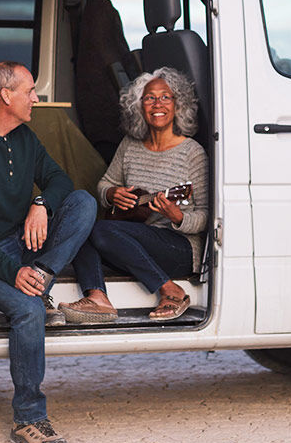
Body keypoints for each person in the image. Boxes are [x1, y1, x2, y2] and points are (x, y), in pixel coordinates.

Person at [0, 61, 96, 443]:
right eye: (29, 91)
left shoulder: (25, 137)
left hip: (25, 244)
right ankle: (28, 419)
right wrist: (13, 273)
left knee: (82, 202)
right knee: (29, 311)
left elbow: (60, 180)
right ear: (5, 96)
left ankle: (43, 275)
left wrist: (40, 203)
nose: (36, 98)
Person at [62, 67, 208, 323]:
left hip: (178, 247)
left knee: (102, 231)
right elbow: (105, 183)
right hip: (130, 242)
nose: (157, 104)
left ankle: (170, 290)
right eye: (149, 98)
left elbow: (206, 217)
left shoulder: (192, 153)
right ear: (138, 106)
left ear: (178, 105)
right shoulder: (130, 145)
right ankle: (98, 298)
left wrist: (177, 217)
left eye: (166, 97)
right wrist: (112, 193)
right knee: (82, 228)